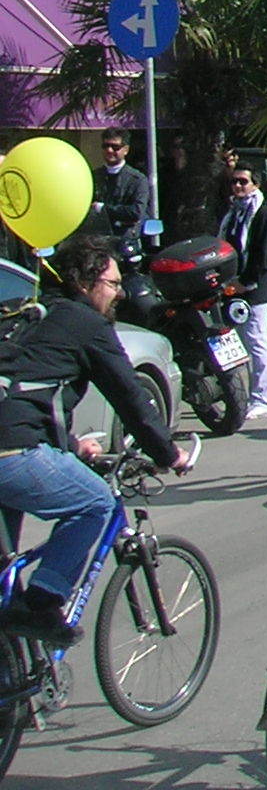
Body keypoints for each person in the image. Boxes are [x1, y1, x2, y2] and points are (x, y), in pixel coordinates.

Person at [0, 235, 191, 646]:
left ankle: (15, 697)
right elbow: (131, 396)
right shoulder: (88, 324)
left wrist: (69, 447)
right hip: (11, 452)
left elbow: (28, 393)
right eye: (113, 283)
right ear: (85, 283)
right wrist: (169, 453)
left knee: (3, 582)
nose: (119, 293)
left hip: (12, 441)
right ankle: (44, 603)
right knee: (96, 504)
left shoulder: (34, 311)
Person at [218, 161, 267, 419]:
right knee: (232, 343)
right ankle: (237, 395)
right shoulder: (233, 213)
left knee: (256, 341)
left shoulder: (263, 214)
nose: (237, 186)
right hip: (232, 288)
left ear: (255, 183)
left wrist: (246, 281)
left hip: (254, 290)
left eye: (243, 181)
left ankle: (263, 399)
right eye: (234, 181)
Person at [84, 130, 155, 251]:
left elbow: (136, 212)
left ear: (126, 150)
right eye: (105, 146)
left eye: (115, 147)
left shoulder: (137, 179)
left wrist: (103, 208)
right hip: (97, 242)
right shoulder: (93, 176)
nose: (109, 150)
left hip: (124, 241)